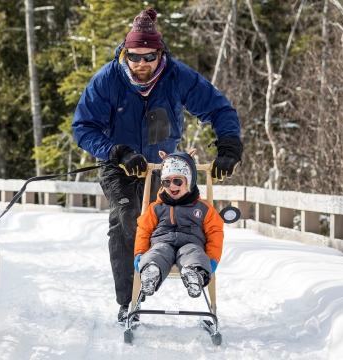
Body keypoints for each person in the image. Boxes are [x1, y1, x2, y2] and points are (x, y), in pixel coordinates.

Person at [71, 6, 242, 323]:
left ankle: (179, 269)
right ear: (125, 52)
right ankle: (128, 301)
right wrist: (117, 151)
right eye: (135, 56)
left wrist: (229, 146)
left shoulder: (177, 76)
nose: (141, 64)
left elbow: (220, 110)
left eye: (149, 57)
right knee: (128, 220)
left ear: (160, 54)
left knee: (160, 226)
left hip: (163, 166)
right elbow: (83, 127)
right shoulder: (107, 80)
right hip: (119, 163)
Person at [133, 150, 223, 299]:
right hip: (162, 243)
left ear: (189, 181)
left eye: (178, 181)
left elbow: (215, 233)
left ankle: (195, 274)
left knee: (194, 253)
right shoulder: (156, 208)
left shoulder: (203, 209)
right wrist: (140, 254)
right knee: (157, 253)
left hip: (192, 243)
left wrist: (212, 258)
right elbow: (143, 231)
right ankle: (151, 272)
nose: (172, 186)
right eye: (166, 182)